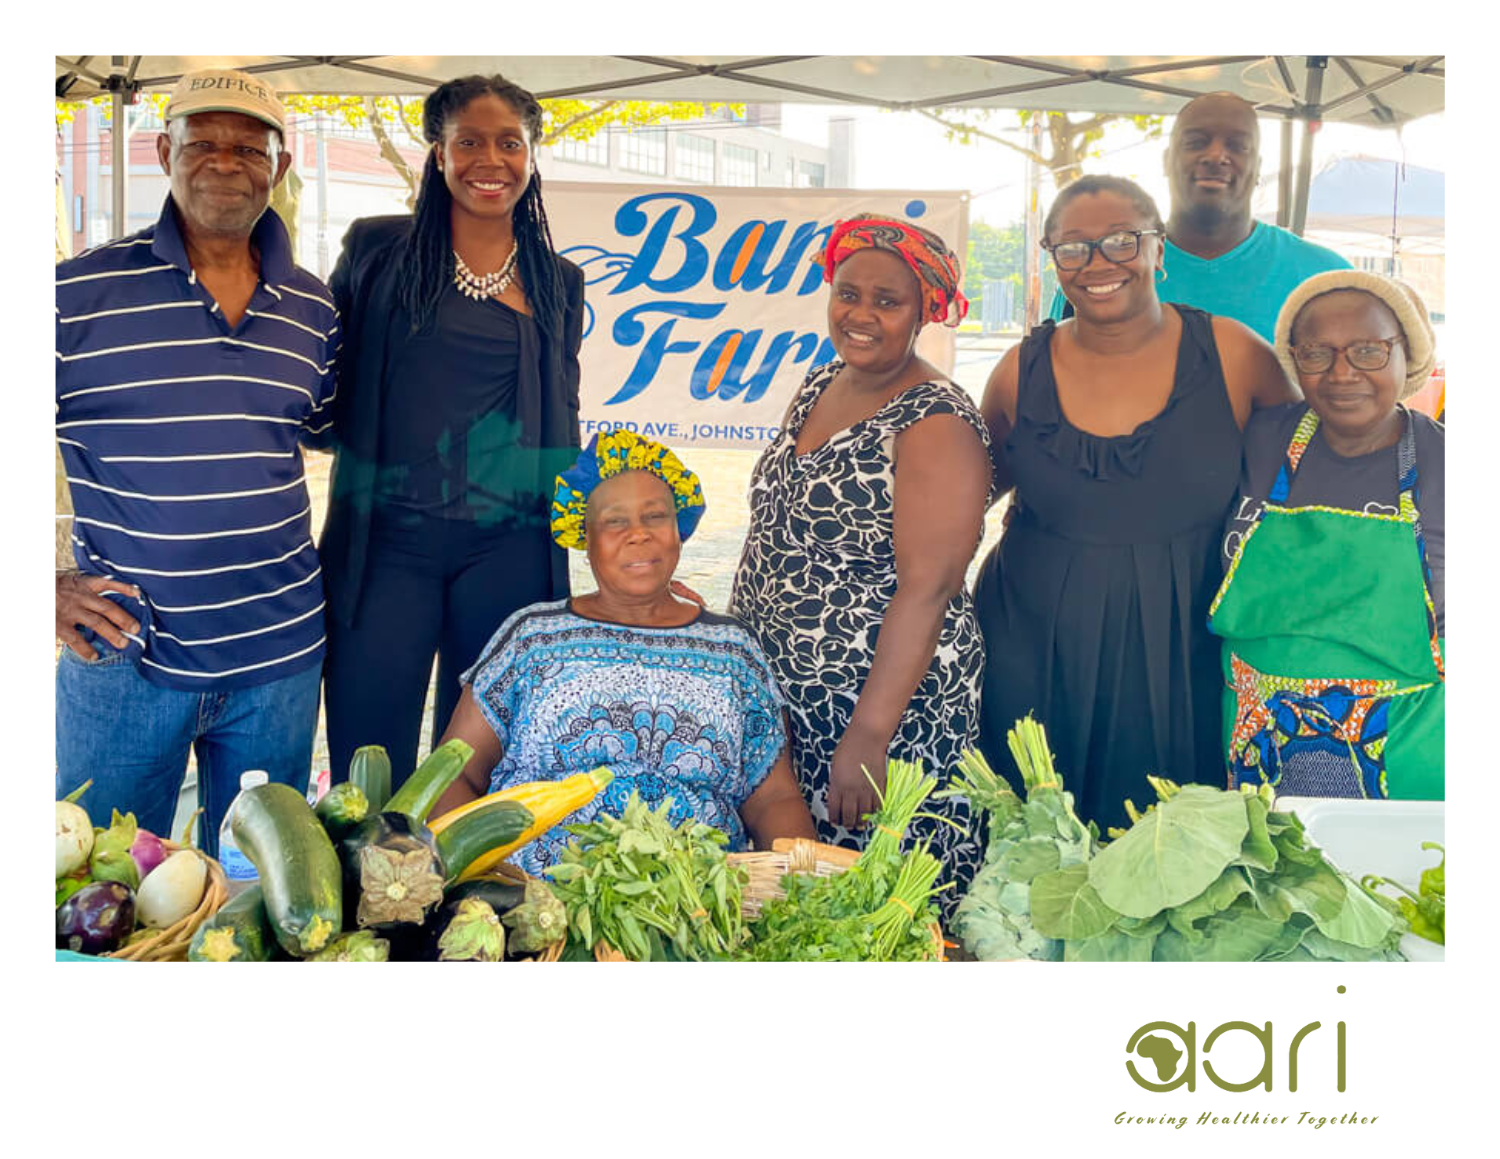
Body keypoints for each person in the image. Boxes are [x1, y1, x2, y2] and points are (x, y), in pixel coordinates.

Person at [54, 69, 335, 853]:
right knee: (99, 894)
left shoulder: (313, 308)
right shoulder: (73, 297)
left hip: (278, 658)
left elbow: (322, 427)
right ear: (162, 151)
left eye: (249, 146)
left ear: (278, 167)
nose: (225, 161)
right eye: (202, 141)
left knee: (258, 903)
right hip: (124, 658)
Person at [974, 176, 1298, 834]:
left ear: (1159, 250)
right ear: (1053, 260)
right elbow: (972, 490)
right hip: (1034, 647)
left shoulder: (1236, 356)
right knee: (1032, 851)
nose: (1099, 263)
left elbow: (1304, 477)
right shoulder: (1018, 370)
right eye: (1074, 248)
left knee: (1168, 852)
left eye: (1123, 240)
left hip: (1185, 650)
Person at [320, 74, 585, 791]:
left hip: (507, 547)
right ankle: (361, 893)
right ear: (437, 153)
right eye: (468, 141)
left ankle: (456, 902)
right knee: (366, 754)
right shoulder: (378, 251)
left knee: (475, 762)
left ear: (532, 155)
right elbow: (326, 373)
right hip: (386, 545)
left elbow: (564, 409)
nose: (489, 160)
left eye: (510, 143)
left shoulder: (557, 279)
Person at [728, 215, 993, 914]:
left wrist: (869, 736)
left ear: (925, 310)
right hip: (792, 697)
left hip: (880, 710)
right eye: (849, 293)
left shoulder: (937, 420)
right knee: (790, 898)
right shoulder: (820, 384)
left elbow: (929, 588)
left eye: (887, 300)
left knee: (872, 906)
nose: (862, 315)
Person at [429, 432, 818, 874]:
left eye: (656, 516)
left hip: (695, 910)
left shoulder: (735, 651)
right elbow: (454, 772)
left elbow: (773, 796)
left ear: (679, 529)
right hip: (537, 905)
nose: (639, 535)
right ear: (585, 535)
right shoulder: (532, 638)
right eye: (615, 521)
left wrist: (802, 886)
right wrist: (487, 878)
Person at [1211, 271, 1444, 799]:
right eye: (1317, 353)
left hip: (1407, 746)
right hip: (1257, 745)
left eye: (1368, 350)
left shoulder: (1449, 462)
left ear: (1408, 354)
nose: (1342, 374)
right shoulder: (1259, 439)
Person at [1050, 92, 1349, 341]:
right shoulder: (1098, 275)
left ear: (1257, 167)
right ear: (1167, 160)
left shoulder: (1325, 277)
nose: (1216, 156)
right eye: (1195, 142)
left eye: (1238, 146)